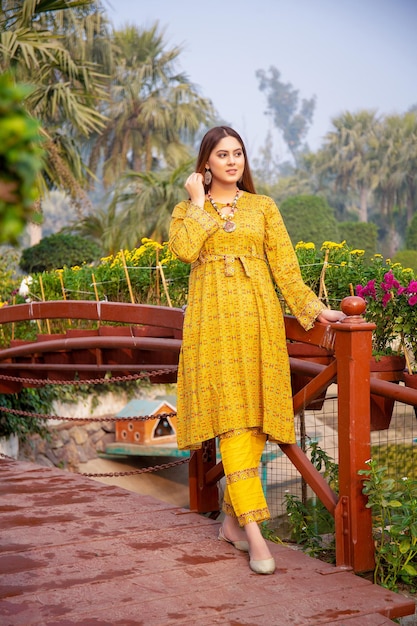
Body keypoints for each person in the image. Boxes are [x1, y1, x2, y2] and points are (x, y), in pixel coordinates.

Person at [168, 126, 343, 575]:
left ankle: (230, 521)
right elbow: (185, 252)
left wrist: (317, 310)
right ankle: (256, 535)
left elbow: (285, 268)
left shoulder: (263, 207)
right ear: (205, 163)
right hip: (212, 326)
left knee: (256, 418)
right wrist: (197, 203)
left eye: (238, 153)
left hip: (259, 322)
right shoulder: (186, 212)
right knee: (231, 420)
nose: (232, 161)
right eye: (222, 155)